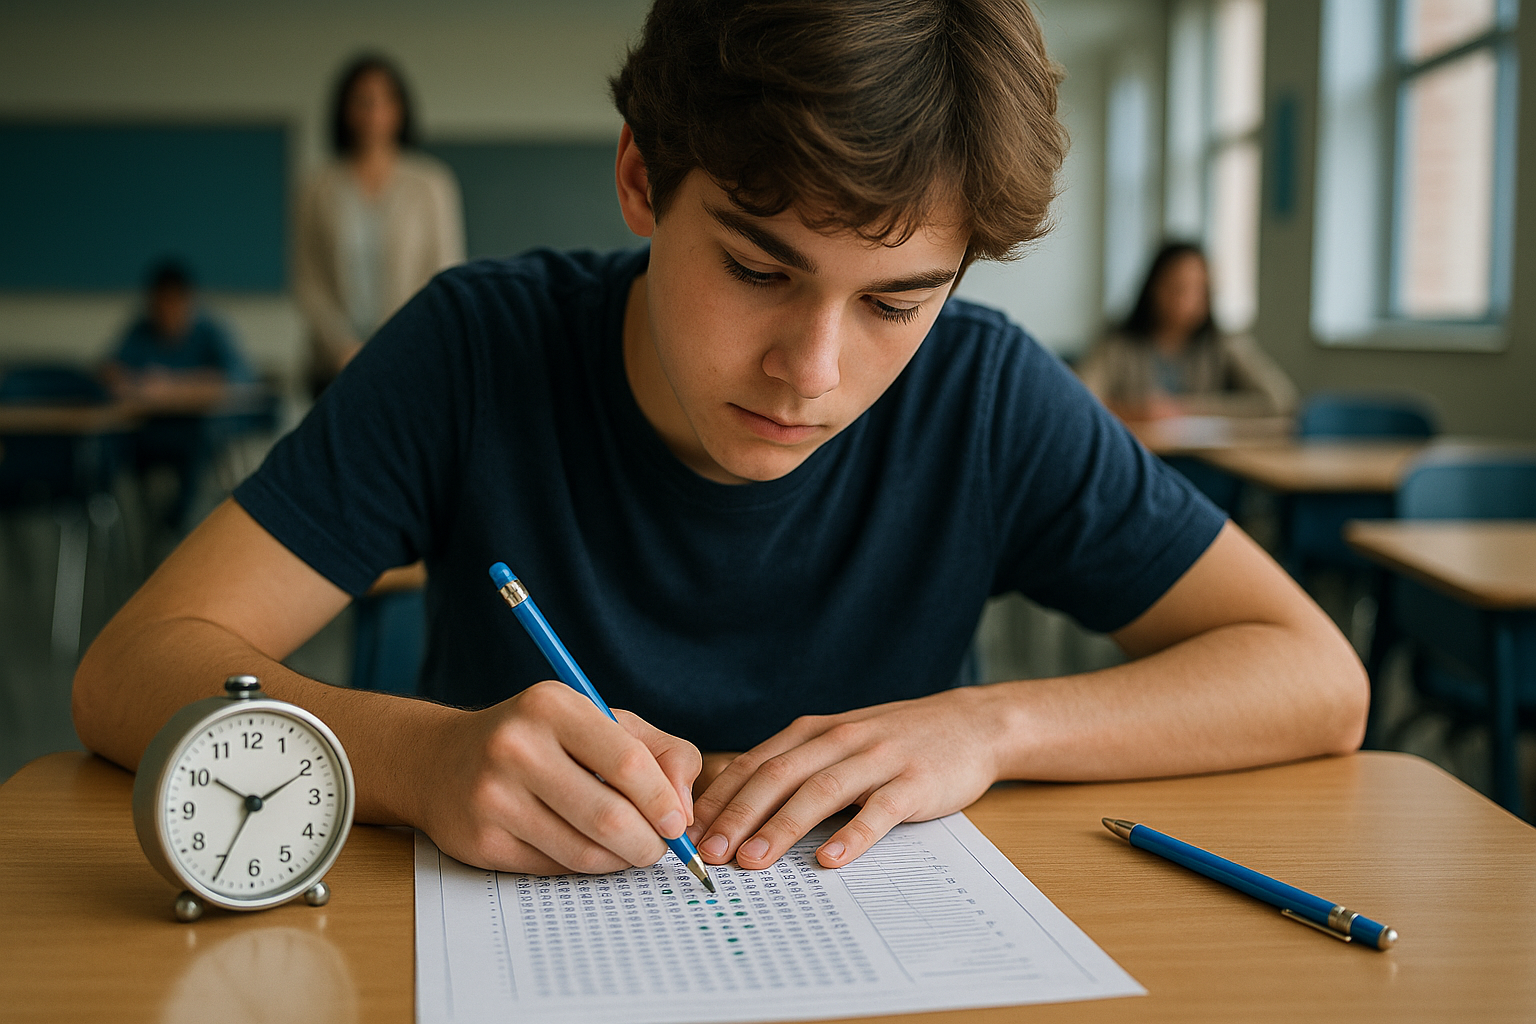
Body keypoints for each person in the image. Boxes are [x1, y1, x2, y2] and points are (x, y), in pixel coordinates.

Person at [74, 0, 1367, 882]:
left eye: (896, 302)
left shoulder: (984, 398)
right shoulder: (475, 353)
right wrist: (418, 758)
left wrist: (990, 728)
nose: (812, 372)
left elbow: (1316, 679)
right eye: (757, 268)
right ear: (643, 179)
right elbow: (132, 670)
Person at [294, 53, 464, 395]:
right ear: (344, 110)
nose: (374, 112)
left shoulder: (431, 184)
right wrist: (343, 348)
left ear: (401, 109)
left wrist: (396, 345)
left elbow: (446, 270)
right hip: (335, 366)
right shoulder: (318, 187)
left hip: (411, 358)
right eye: (362, 101)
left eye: (385, 100)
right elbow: (308, 281)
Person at [103, 259, 254, 532]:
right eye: (159, 304)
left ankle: (179, 522)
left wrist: (172, 384)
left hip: (198, 430)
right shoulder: (141, 330)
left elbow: (236, 380)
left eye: (173, 304)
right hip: (151, 430)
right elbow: (110, 372)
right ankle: (143, 532)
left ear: (188, 301)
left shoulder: (210, 331)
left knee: (201, 438)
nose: (166, 313)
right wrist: (133, 383)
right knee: (112, 443)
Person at [1077, 242, 1298, 420]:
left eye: (1199, 290)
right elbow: (1080, 398)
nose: (1186, 301)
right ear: (1153, 287)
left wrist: (1188, 408)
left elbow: (1281, 399)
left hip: (1203, 462)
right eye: (1177, 287)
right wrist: (1133, 410)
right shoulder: (1117, 344)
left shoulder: (1223, 343)